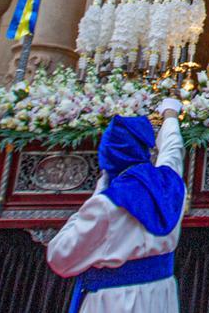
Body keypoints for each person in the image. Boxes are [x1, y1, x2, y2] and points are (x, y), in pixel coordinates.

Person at [47, 98, 186, 312]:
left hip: (116, 300)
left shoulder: (106, 204)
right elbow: (172, 150)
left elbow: (60, 258)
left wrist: (96, 195)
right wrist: (170, 115)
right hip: (160, 294)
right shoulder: (172, 183)